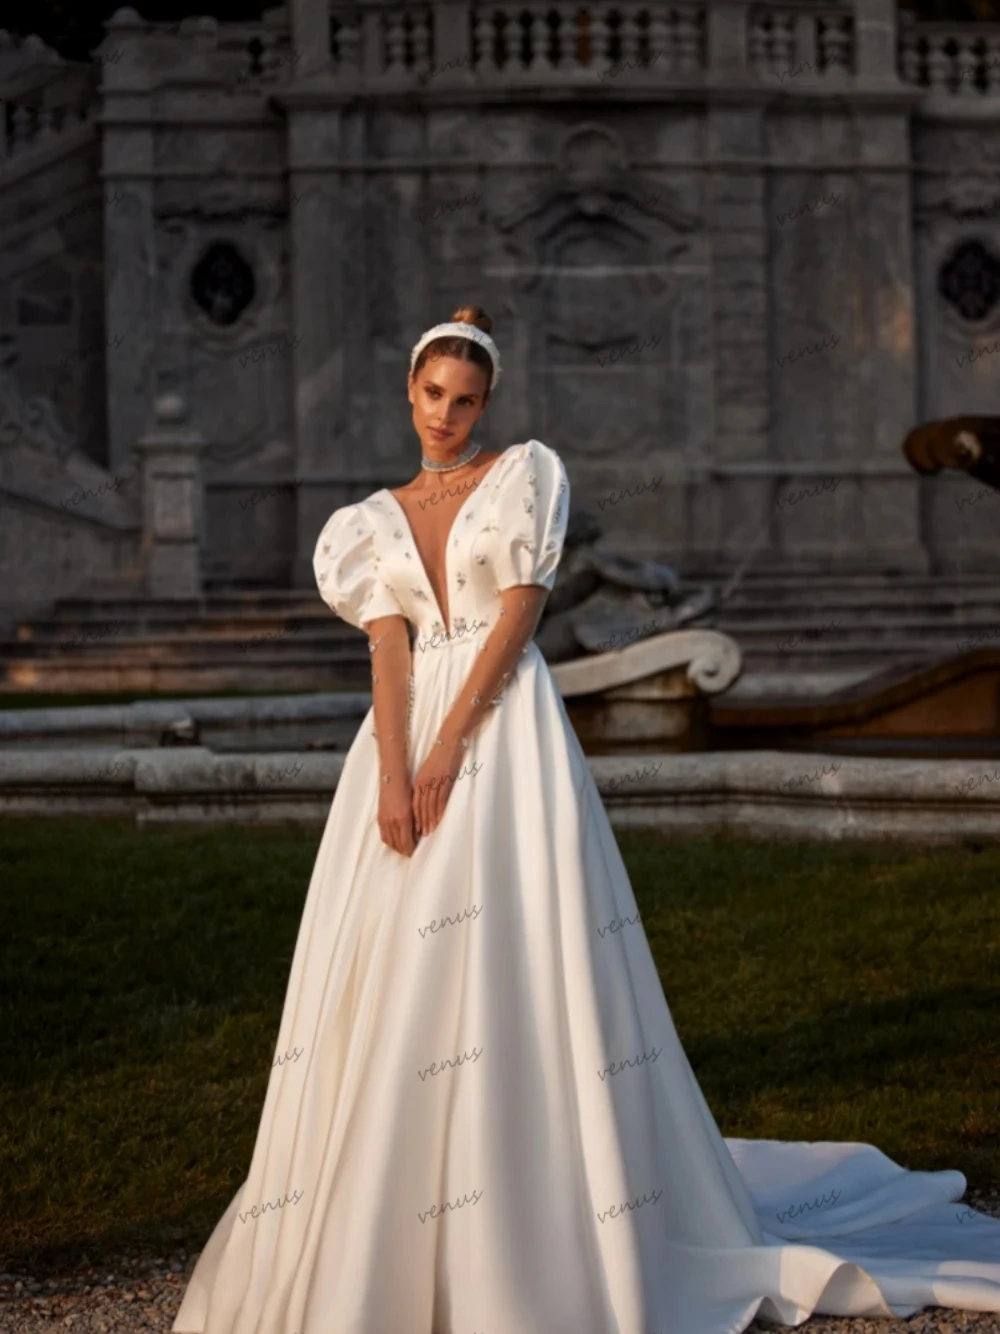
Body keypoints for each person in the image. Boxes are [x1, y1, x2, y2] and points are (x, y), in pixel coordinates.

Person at [172, 307, 1000, 1334]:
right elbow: (387, 653)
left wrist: (445, 755)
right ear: (408, 392)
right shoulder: (363, 524)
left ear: (487, 404)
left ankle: (529, 1199)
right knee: (389, 958)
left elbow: (515, 621)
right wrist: (394, 772)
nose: (445, 414)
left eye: (464, 399)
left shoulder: (523, 474)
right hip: (397, 743)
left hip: (503, 732)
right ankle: (387, 1199)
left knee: (510, 942)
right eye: (432, 394)